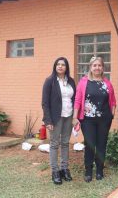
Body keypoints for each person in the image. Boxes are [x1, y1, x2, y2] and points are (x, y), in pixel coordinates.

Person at [73, 56, 116, 182]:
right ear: (90, 67)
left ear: (103, 68)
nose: (97, 68)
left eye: (99, 65)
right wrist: (75, 116)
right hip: (88, 120)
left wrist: (111, 115)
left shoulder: (107, 83)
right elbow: (77, 100)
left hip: (104, 119)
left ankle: (99, 170)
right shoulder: (83, 82)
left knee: (102, 145)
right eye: (95, 65)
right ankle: (88, 171)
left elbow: (113, 101)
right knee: (90, 145)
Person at [42, 57, 76, 185]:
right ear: (55, 66)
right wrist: (48, 120)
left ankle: (64, 169)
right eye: (58, 64)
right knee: (54, 143)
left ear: (66, 67)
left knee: (66, 143)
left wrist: (75, 116)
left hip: (68, 115)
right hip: (55, 118)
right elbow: (45, 103)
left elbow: (75, 98)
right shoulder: (50, 81)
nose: (60, 66)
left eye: (63, 65)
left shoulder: (71, 81)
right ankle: (55, 171)